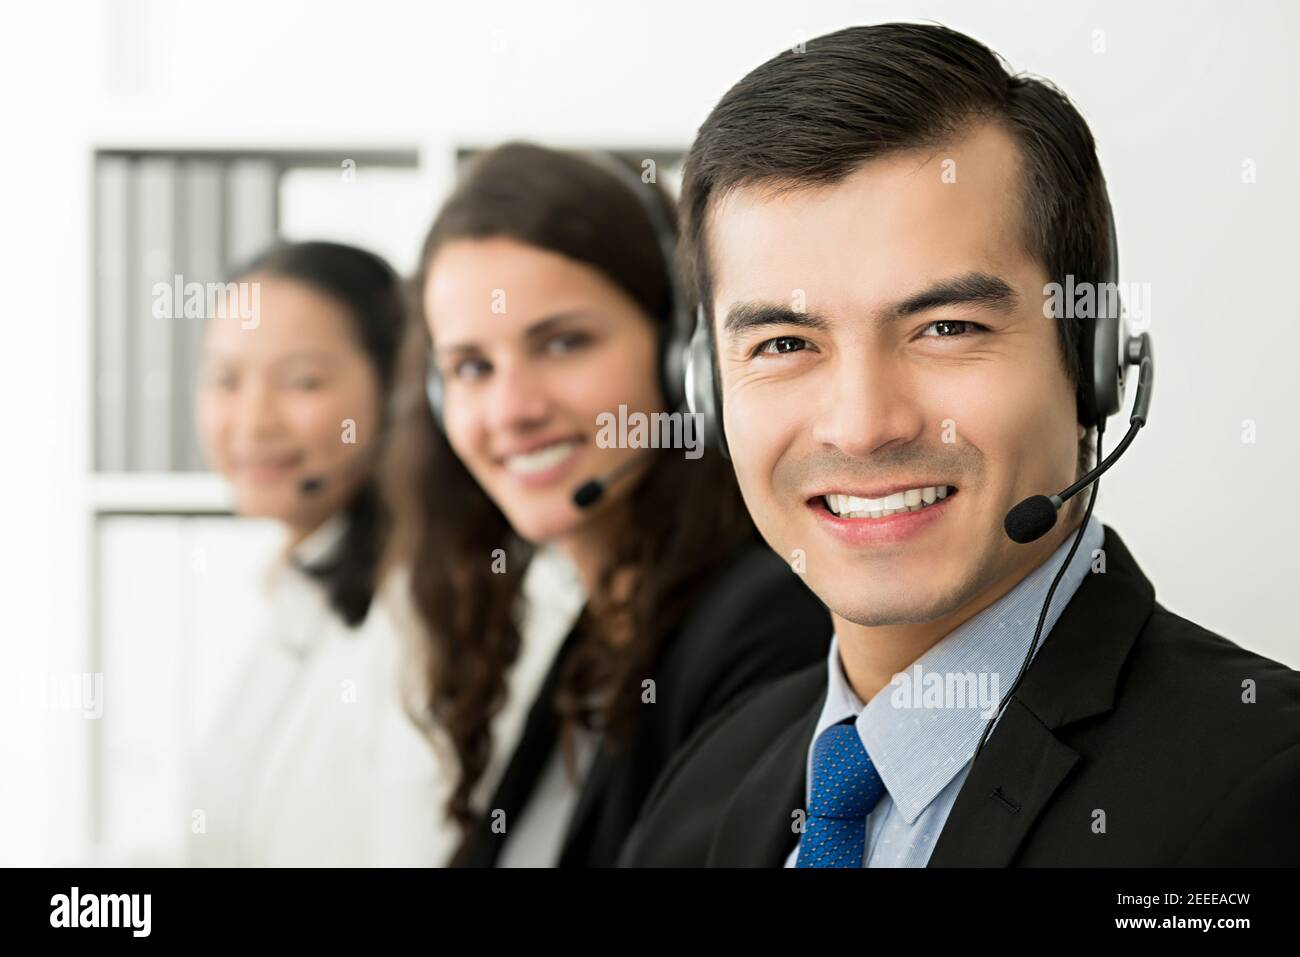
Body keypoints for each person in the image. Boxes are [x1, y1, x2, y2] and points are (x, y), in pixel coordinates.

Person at [621, 23, 1300, 867]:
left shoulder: (1267, 794)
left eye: (946, 327)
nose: (864, 424)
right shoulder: (709, 783)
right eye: (786, 343)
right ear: (709, 393)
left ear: (1094, 366)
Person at [386, 142, 832, 867]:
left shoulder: (768, 623)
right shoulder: (597, 636)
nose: (511, 409)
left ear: (685, 357)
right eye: (471, 367)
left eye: (563, 342)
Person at [190, 240, 454, 865]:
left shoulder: (417, 616)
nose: (253, 422)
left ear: (399, 389)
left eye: (301, 381)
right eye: (226, 379)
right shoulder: (297, 593)